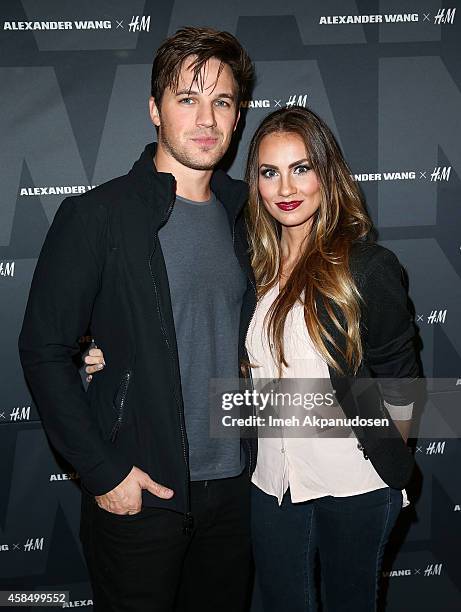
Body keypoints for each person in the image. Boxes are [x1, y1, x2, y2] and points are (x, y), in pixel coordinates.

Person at [87, 106, 419, 611]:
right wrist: (112, 351)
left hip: (355, 482)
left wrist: (389, 466)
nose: (286, 186)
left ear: (327, 174)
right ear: (255, 182)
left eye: (301, 168)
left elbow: (404, 385)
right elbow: (197, 323)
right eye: (269, 171)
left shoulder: (367, 267)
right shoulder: (250, 262)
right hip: (269, 487)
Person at [19, 27, 257, 612]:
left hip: (238, 490)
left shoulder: (251, 216)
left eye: (221, 101)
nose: (206, 119)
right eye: (187, 99)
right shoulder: (97, 216)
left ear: (237, 115)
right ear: (154, 109)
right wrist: (103, 473)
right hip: (142, 492)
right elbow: (44, 349)